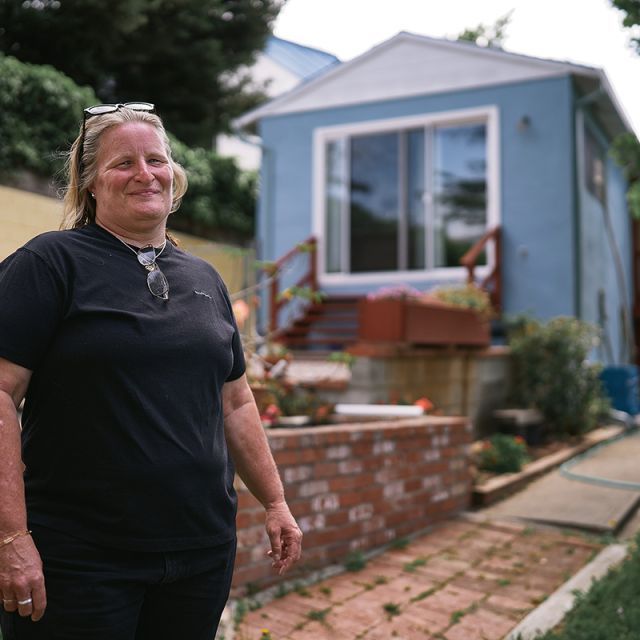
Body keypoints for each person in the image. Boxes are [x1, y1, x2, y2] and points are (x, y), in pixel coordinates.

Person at [0, 102, 302, 640]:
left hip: (201, 553)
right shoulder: (50, 264)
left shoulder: (204, 278)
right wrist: (11, 538)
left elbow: (236, 402)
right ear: (91, 181)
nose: (145, 173)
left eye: (156, 160)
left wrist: (275, 501)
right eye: (123, 164)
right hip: (81, 558)